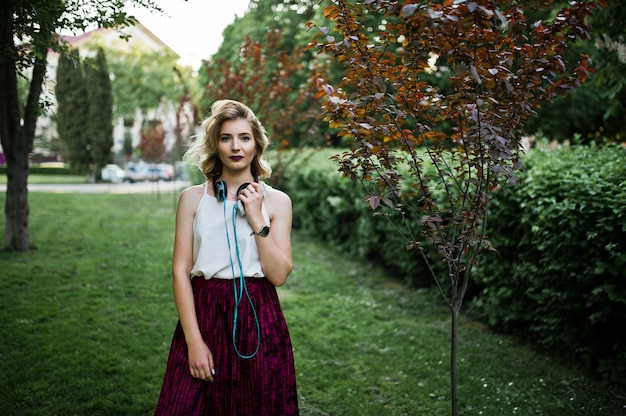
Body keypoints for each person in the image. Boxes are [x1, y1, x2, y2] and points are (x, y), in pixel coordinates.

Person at [154, 100, 299, 415]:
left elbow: (279, 276)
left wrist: (257, 217)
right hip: (204, 311)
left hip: (258, 314)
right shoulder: (192, 199)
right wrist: (194, 342)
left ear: (257, 144)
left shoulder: (277, 202)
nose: (236, 147)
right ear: (215, 145)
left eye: (244, 137)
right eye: (226, 138)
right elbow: (180, 272)